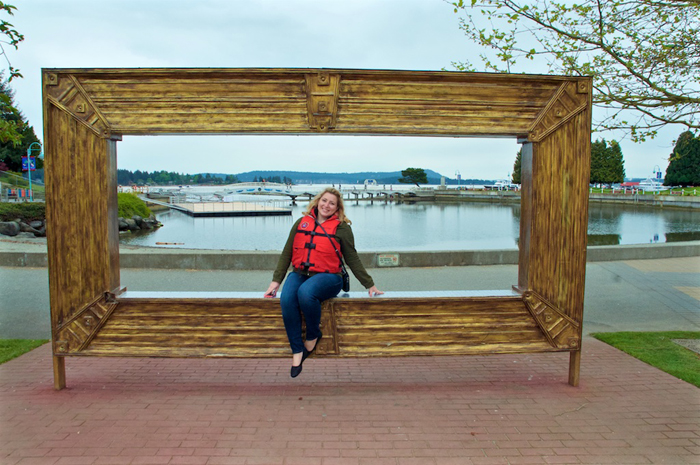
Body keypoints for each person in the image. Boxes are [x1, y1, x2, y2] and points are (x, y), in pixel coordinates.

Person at [264, 187, 383, 378]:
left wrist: (369, 284)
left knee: (305, 293)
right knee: (287, 299)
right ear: (318, 201)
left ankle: (313, 334)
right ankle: (297, 350)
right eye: (324, 201)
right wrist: (275, 281)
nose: (327, 205)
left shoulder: (343, 228)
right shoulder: (301, 223)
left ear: (337, 208)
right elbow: (287, 253)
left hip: (330, 278)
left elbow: (352, 258)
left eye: (332, 203)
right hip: (301, 272)